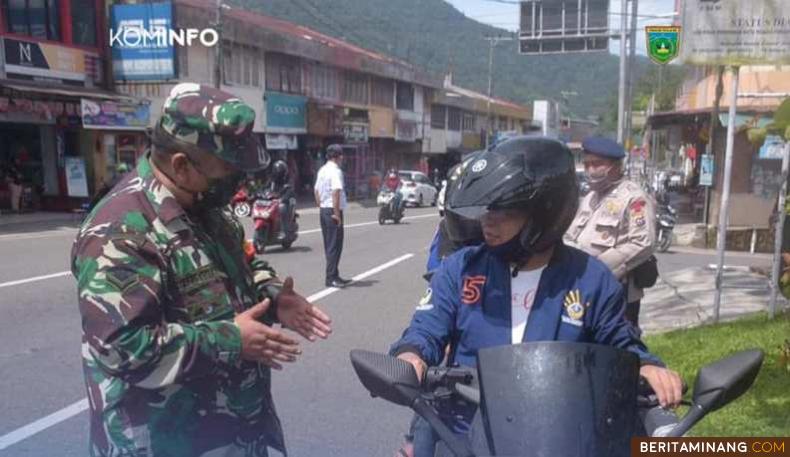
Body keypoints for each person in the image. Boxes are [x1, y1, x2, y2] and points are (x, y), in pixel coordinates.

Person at [70, 83, 333, 457]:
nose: (236, 181)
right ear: (181, 165)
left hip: (231, 433)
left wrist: (274, 297)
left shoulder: (207, 208)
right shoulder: (121, 230)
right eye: (226, 171)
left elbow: (244, 266)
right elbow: (122, 348)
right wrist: (230, 339)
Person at [391, 136, 681, 457]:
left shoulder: (591, 280)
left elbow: (621, 343)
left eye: (504, 211)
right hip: (464, 435)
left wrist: (646, 367)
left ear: (545, 211)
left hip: (558, 438)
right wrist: (411, 355)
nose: (489, 221)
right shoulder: (460, 269)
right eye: (487, 209)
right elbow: (427, 327)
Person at [564, 136, 656, 328]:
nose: (590, 170)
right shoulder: (590, 197)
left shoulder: (633, 198)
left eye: (597, 164)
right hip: (582, 287)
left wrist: (597, 271)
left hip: (616, 290)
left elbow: (642, 243)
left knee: (617, 349)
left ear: (615, 166)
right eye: (587, 164)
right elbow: (571, 235)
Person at [314, 144, 351, 288]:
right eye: (341, 155)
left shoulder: (322, 170)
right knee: (334, 246)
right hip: (332, 210)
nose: (342, 158)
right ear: (338, 157)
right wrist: (336, 214)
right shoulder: (336, 171)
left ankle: (335, 275)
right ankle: (331, 278)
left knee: (329, 245)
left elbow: (316, 190)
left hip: (324, 209)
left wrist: (321, 206)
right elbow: (336, 192)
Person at [267, 159, 295, 240]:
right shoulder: (271, 180)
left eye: (279, 171)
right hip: (272, 201)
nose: (278, 172)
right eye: (276, 170)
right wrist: (259, 193)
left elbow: (290, 192)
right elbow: (265, 188)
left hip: (283, 201)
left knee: (281, 207)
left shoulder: (287, 180)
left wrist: (283, 199)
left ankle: (283, 230)